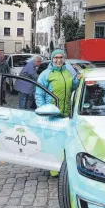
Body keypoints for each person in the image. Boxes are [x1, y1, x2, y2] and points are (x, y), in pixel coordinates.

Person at [35, 49, 80, 177]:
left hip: (66, 113)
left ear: (64, 58)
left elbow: (72, 87)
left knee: (64, 141)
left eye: (61, 57)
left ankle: (64, 166)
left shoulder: (67, 72)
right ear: (52, 59)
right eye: (56, 57)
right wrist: (43, 111)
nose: (59, 60)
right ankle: (54, 170)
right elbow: (39, 94)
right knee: (53, 142)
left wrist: (77, 78)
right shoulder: (45, 74)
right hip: (52, 113)